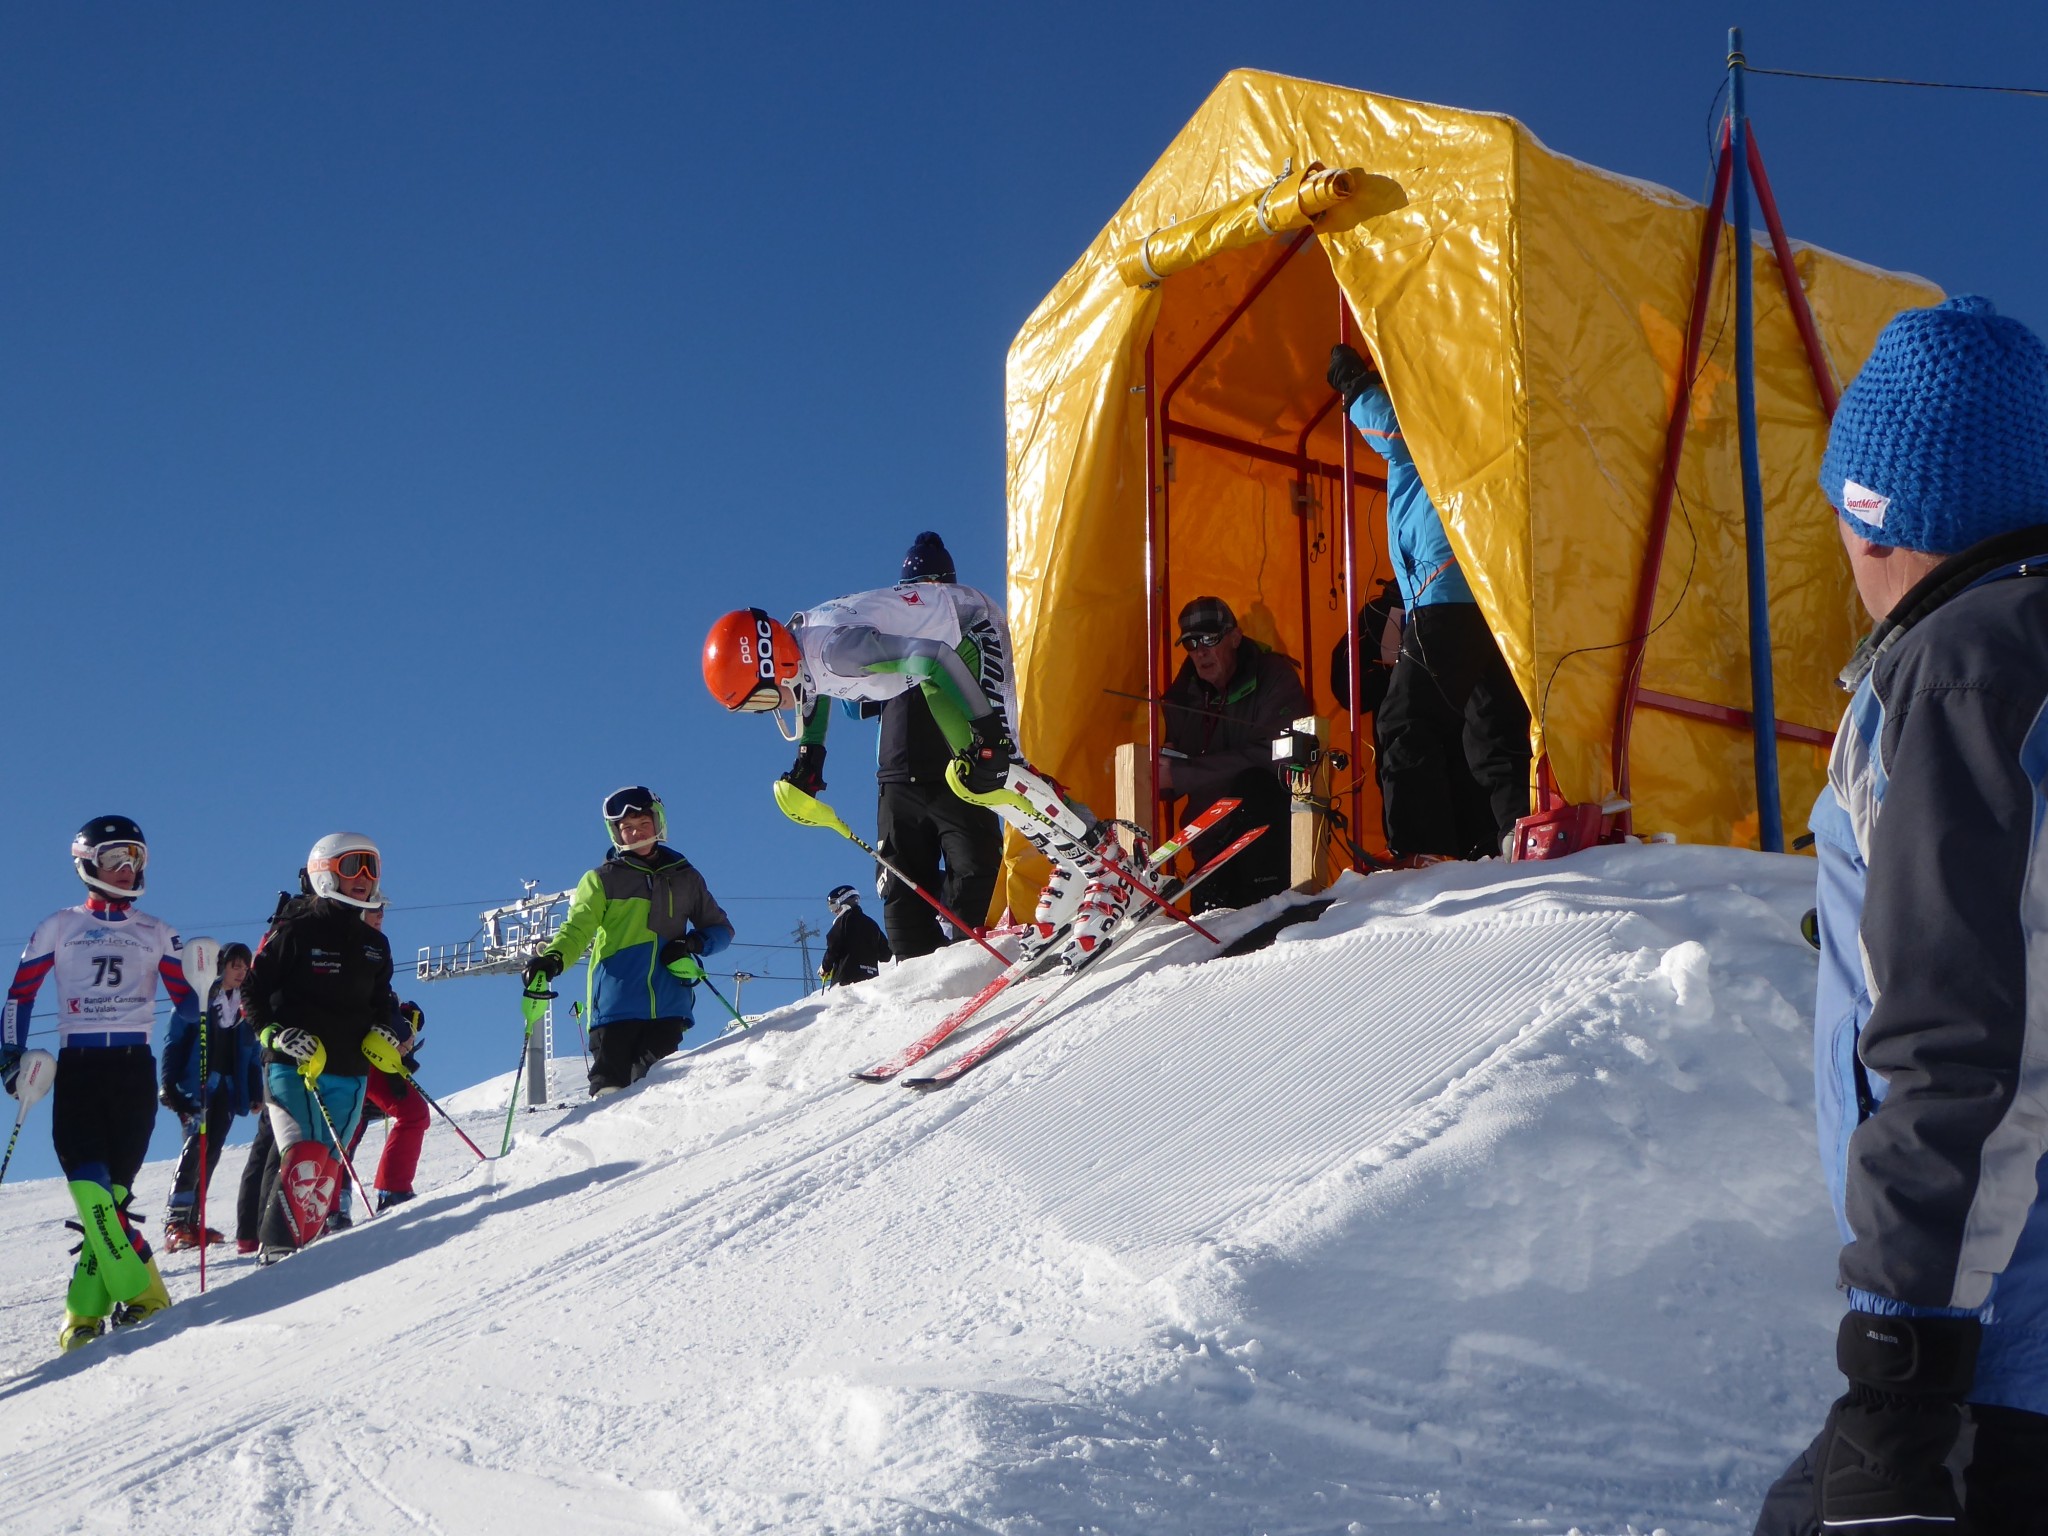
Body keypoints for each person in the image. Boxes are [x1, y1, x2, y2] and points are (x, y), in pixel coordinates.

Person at [1752, 296, 2048, 1535]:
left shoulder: (1962, 672)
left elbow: (1961, 1038)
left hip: (1989, 1340)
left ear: (1877, 518)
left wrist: (1902, 1374)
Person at [703, 585, 1153, 964]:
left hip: (966, 636)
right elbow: (815, 687)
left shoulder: (840, 652)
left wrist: (985, 728)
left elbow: (934, 654)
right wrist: (812, 752)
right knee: (979, 781)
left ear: (772, 662)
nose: (772, 709)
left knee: (995, 771)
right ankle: (1075, 859)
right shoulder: (798, 646)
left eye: (763, 699)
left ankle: (1105, 858)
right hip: (934, 664)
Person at [0, 816, 199, 1349]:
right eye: (117, 857)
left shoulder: (157, 931)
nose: (129, 868)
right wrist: (10, 1058)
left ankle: (81, 1319)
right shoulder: (59, 926)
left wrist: (207, 1020)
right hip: (80, 1070)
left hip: (132, 1071)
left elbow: (189, 1001)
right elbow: (20, 996)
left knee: (109, 1197)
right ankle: (146, 1295)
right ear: (88, 863)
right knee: (91, 1189)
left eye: (136, 857)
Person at [1327, 343, 1531, 861]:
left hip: (1444, 587)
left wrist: (1356, 390)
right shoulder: (1487, 405)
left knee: (1405, 720)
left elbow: (1394, 434)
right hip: (1490, 589)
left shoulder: (1433, 410)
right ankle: (1519, 836)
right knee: (1495, 726)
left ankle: (1423, 852)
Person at [244, 833, 400, 1264]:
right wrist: (272, 1033)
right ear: (324, 871)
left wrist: (383, 1032)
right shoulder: (295, 931)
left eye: (371, 867)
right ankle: (276, 1252)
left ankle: (304, 1261)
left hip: (349, 1069)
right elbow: (253, 990)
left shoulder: (375, 945)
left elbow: (380, 1002)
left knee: (328, 1169)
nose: (364, 878)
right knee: (303, 1157)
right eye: (353, 866)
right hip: (294, 1063)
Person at [522, 787, 734, 1097]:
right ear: (616, 834)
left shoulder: (686, 878)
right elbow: (577, 930)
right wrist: (553, 959)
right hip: (615, 1007)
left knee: (657, 1091)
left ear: (658, 823)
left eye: (643, 824)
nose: (636, 833)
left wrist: (693, 944)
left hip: (669, 1005)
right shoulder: (602, 879)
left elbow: (720, 930)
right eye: (627, 828)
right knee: (610, 1091)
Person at [871, 532, 1007, 959]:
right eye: (916, 588)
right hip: (899, 782)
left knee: (977, 874)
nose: (926, 596)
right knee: (901, 891)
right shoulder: (887, 639)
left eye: (937, 586)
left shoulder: (970, 632)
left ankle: (973, 965)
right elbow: (853, 703)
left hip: (960, 776)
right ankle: (916, 984)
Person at [1159, 597, 1310, 912]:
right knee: (1211, 940)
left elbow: (1277, 758)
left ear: (1235, 637)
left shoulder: (1276, 677)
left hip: (1266, 840)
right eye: (1190, 643)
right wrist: (1161, 773)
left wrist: (1183, 773)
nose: (1200, 651)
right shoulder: (1181, 695)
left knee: (1255, 784)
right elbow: (1168, 781)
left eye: (1210, 639)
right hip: (1207, 846)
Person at [160, 941, 259, 1250]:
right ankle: (175, 1220)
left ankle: (194, 1220)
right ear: (221, 967)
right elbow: (174, 1040)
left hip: (228, 1089)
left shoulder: (245, 1007)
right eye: (235, 966)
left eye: (245, 966)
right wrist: (168, 1083)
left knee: (212, 1151)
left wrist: (255, 1091)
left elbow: (252, 1055)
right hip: (197, 1086)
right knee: (195, 1146)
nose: (241, 972)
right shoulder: (199, 998)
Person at [819, 885, 890, 988]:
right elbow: (886, 955)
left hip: (845, 980)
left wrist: (825, 967)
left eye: (834, 906)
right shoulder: (872, 924)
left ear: (844, 901)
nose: (833, 911)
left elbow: (833, 947)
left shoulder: (843, 921)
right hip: (871, 981)